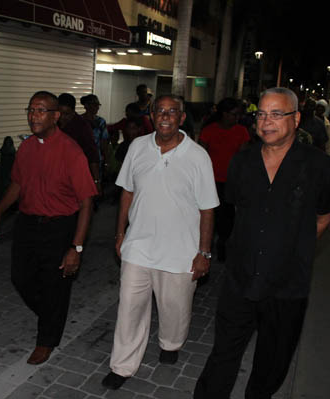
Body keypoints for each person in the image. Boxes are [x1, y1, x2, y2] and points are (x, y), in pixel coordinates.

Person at [194, 88, 330, 399]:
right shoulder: (242, 161)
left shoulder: (318, 166)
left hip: (287, 284)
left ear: (296, 118)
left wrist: (294, 245)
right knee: (223, 353)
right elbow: (237, 210)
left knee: (272, 361)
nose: (266, 121)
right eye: (261, 114)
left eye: (277, 114)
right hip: (240, 278)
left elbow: (326, 213)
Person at [101, 95, 219, 390]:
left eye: (172, 112)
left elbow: (207, 208)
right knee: (129, 307)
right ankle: (123, 365)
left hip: (181, 251)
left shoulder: (197, 156)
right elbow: (127, 191)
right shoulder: (138, 147)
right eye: (160, 111)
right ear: (151, 116)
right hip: (139, 246)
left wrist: (204, 252)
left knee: (174, 308)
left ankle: (170, 343)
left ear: (181, 118)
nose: (165, 116)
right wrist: (120, 233)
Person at [0, 91, 97, 366]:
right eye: (31, 110)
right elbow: (17, 184)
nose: (33, 115)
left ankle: (46, 339)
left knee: (54, 286)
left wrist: (76, 248)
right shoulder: (27, 147)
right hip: (27, 224)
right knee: (20, 278)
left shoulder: (71, 151)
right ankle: (52, 314)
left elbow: (86, 203)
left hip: (59, 227)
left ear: (55, 116)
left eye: (40, 110)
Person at [199, 97, 250, 262]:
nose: (236, 119)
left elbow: (243, 159)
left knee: (226, 222)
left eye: (238, 115)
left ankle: (223, 252)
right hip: (210, 183)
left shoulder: (241, 132)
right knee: (207, 217)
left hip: (230, 183)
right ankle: (203, 249)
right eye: (233, 114)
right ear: (223, 114)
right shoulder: (209, 131)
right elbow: (199, 157)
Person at [57, 93, 101, 195]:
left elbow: (92, 154)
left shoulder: (82, 126)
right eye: (60, 113)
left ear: (73, 111)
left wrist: (96, 181)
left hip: (78, 173)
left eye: (66, 114)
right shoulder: (53, 122)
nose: (62, 117)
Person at [81, 94, 109, 181]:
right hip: (82, 159)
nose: (97, 107)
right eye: (94, 104)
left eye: (98, 105)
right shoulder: (79, 121)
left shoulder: (101, 122)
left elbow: (104, 142)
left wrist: (106, 162)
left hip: (97, 159)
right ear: (86, 106)